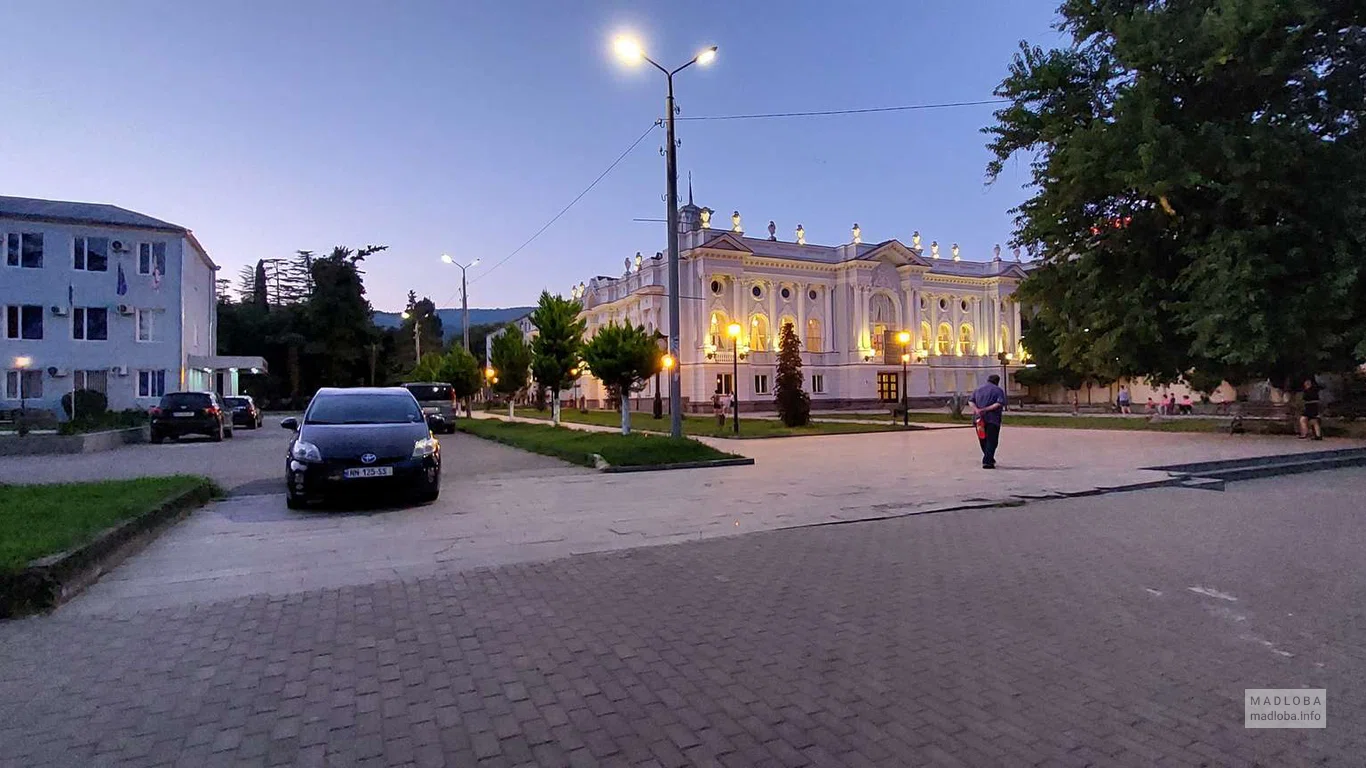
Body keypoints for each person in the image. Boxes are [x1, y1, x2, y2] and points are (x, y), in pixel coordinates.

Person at [969, 374, 1007, 469]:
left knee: (983, 439)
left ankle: (988, 457)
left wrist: (977, 410)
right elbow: (998, 404)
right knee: (992, 440)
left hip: (978, 419)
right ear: (997, 381)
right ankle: (987, 461)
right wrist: (985, 409)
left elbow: (971, 401)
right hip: (992, 419)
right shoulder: (998, 390)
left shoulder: (978, 389)